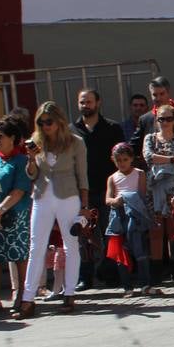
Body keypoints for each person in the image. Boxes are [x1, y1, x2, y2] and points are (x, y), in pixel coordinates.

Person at [21, 102, 89, 318]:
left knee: (70, 245)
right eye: (41, 122)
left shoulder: (75, 142)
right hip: (42, 196)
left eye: (49, 121)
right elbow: (31, 174)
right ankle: (27, 299)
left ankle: (69, 293)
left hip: (68, 196)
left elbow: (83, 176)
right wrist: (31, 158)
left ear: (59, 121)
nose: (45, 126)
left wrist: (85, 208)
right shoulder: (36, 142)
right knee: (36, 247)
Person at [71, 88, 125, 290]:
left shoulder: (113, 128)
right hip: (82, 191)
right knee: (84, 236)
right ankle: (86, 276)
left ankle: (111, 273)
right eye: (82, 102)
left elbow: (122, 161)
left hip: (108, 189)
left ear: (98, 103)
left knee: (110, 233)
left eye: (89, 102)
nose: (85, 105)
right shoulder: (71, 130)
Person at [0, 119, 30, 315]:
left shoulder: (22, 161)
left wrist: (0, 210)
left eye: (0, 137)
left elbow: (19, 190)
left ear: (12, 138)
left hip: (15, 215)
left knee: (19, 256)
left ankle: (22, 297)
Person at [104, 143, 158, 297]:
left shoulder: (139, 174)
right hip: (118, 216)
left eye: (125, 159)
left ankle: (145, 284)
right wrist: (116, 201)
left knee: (140, 249)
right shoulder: (112, 178)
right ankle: (127, 286)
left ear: (131, 159)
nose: (122, 163)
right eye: (118, 160)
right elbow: (108, 199)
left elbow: (141, 195)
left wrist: (127, 199)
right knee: (122, 252)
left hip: (135, 215)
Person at [143, 103, 174, 278]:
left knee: (172, 228)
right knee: (156, 229)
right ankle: (156, 270)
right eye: (161, 119)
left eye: (168, 119)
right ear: (156, 120)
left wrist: (163, 160)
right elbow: (148, 157)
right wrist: (172, 159)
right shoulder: (150, 138)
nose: (165, 122)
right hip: (153, 188)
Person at [128, 76, 174, 162]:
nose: (158, 98)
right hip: (154, 172)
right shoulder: (145, 119)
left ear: (168, 93)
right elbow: (133, 147)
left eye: (162, 94)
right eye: (154, 95)